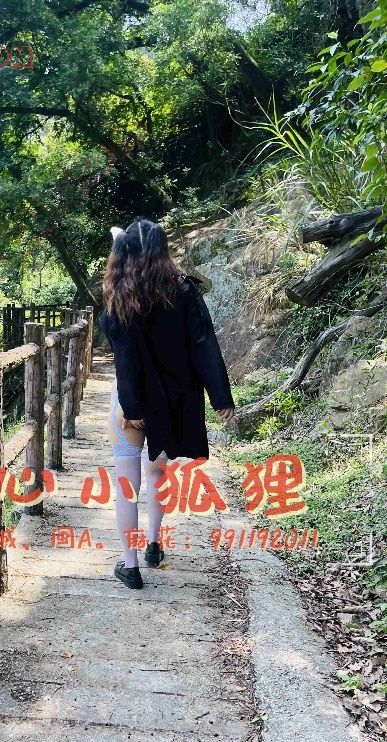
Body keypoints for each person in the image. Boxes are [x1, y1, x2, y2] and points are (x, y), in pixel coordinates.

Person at [98, 217, 235, 590]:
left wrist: (131, 409)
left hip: (130, 404)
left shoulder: (119, 294)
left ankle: (130, 566)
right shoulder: (184, 290)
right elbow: (203, 342)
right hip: (170, 403)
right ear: (162, 249)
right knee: (157, 475)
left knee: (127, 485)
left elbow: (124, 356)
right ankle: (155, 545)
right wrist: (221, 397)